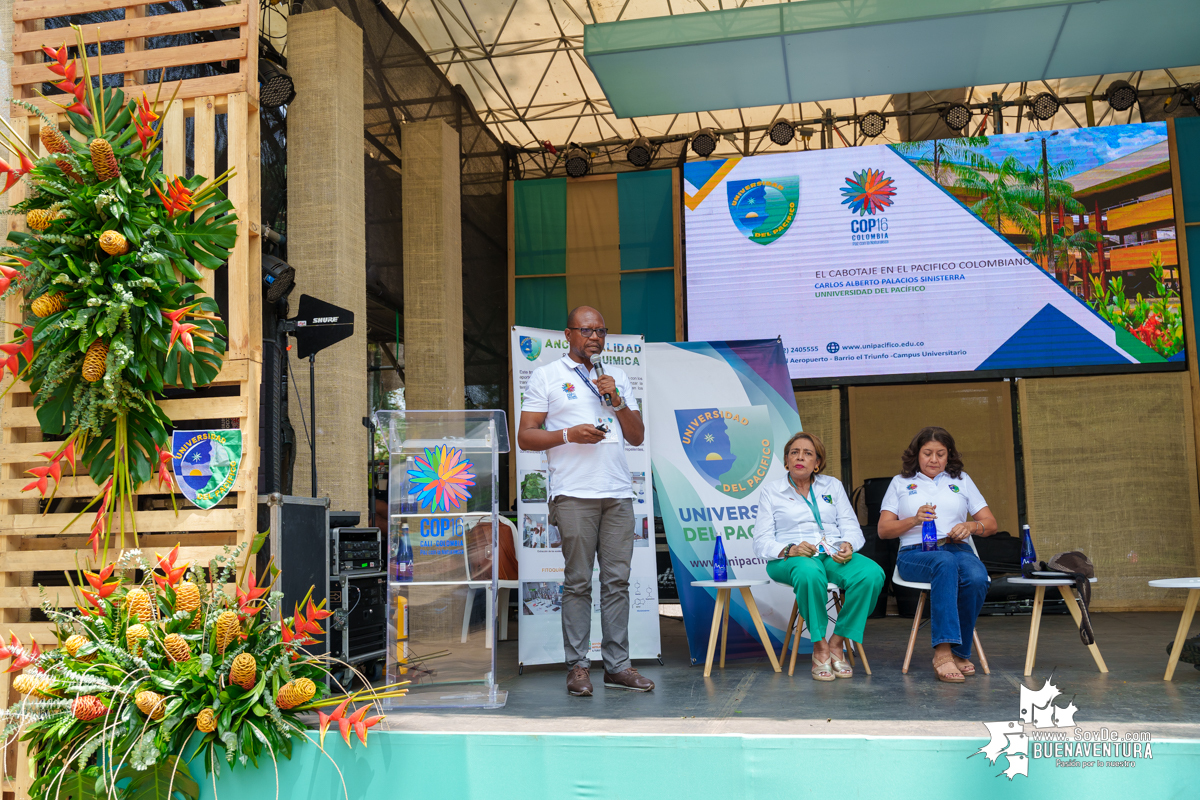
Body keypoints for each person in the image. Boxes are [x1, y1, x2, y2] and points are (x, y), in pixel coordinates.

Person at [517, 306, 653, 696]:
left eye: (601, 331)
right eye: (587, 330)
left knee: (617, 582)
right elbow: (526, 435)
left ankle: (618, 666)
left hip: (617, 494)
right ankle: (578, 667)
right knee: (578, 583)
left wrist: (617, 400)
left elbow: (637, 436)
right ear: (568, 334)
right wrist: (568, 435)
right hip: (573, 494)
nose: (595, 337)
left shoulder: (618, 378)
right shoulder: (547, 376)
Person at [753, 432, 884, 680]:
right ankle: (820, 646)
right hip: (790, 559)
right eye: (794, 452)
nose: (800, 457)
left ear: (818, 463)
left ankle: (838, 641)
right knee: (809, 572)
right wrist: (790, 549)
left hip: (831, 554)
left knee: (871, 574)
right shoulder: (772, 492)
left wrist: (848, 545)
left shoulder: (832, 486)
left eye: (808, 453)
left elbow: (851, 527)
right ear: (786, 461)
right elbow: (760, 541)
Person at [878, 426, 998, 683]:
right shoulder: (900, 483)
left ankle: (960, 652)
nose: (934, 460)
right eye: (928, 453)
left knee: (977, 576)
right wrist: (913, 520)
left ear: (949, 455)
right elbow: (883, 530)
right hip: (915, 552)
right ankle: (943, 653)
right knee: (944, 562)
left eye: (941, 454)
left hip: (957, 547)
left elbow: (991, 523)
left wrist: (971, 526)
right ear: (916, 455)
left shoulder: (961, 480)